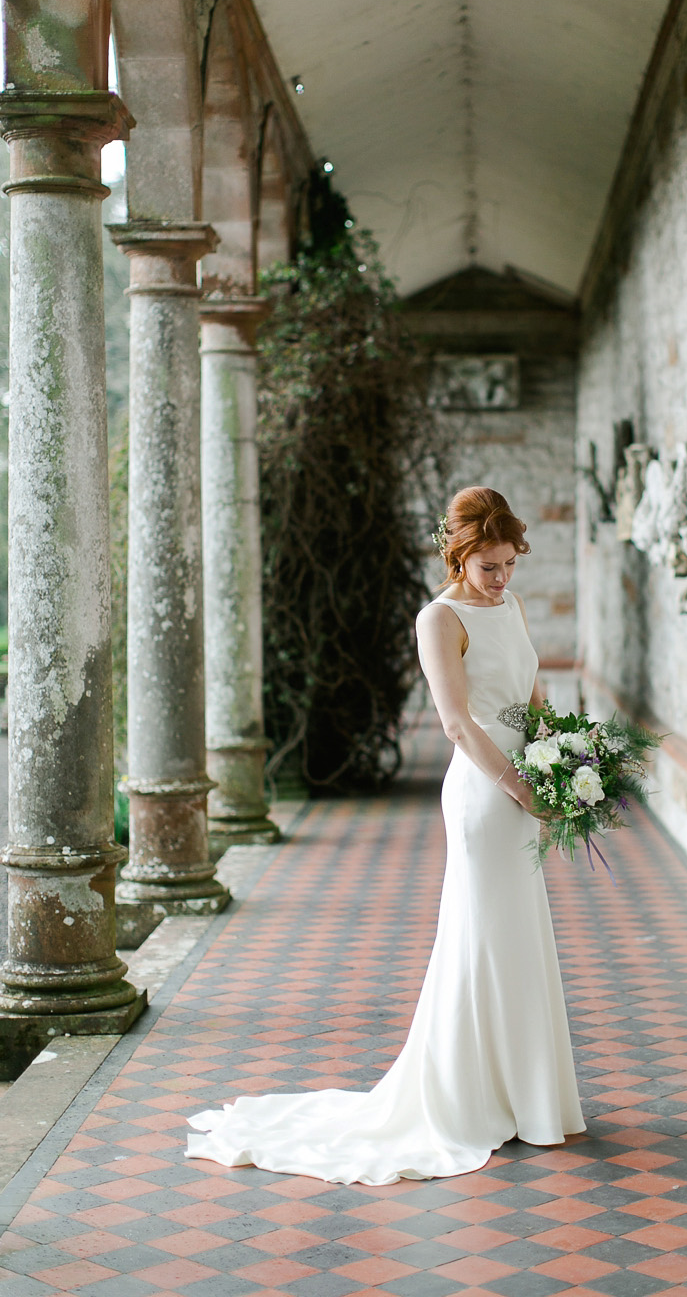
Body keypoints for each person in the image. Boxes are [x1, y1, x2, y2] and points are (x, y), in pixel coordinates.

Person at [186, 486, 584, 1184]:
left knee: (520, 934)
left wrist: (564, 764)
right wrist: (520, 787)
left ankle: (531, 1101)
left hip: (525, 776)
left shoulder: (510, 605)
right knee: (482, 936)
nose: (501, 578)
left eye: (508, 564)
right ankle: (469, 1103)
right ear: (459, 557)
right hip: (485, 790)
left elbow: (533, 698)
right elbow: (458, 723)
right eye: (487, 567)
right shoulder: (440, 618)